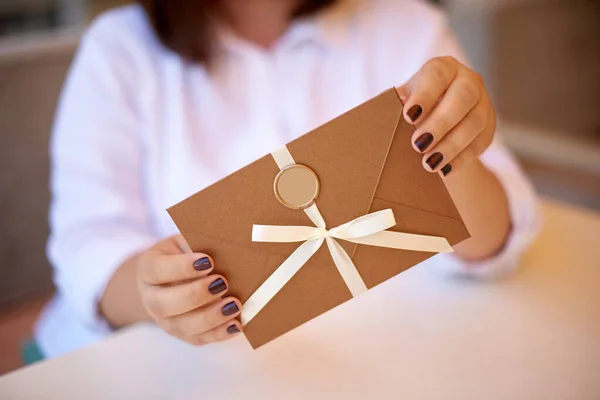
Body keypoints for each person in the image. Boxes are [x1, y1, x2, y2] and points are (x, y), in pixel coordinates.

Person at [35, 0, 540, 358]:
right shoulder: (119, 50)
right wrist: (155, 294)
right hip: (168, 367)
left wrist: (457, 150)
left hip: (383, 355)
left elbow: (494, 239)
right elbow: (88, 248)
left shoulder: (408, 27)